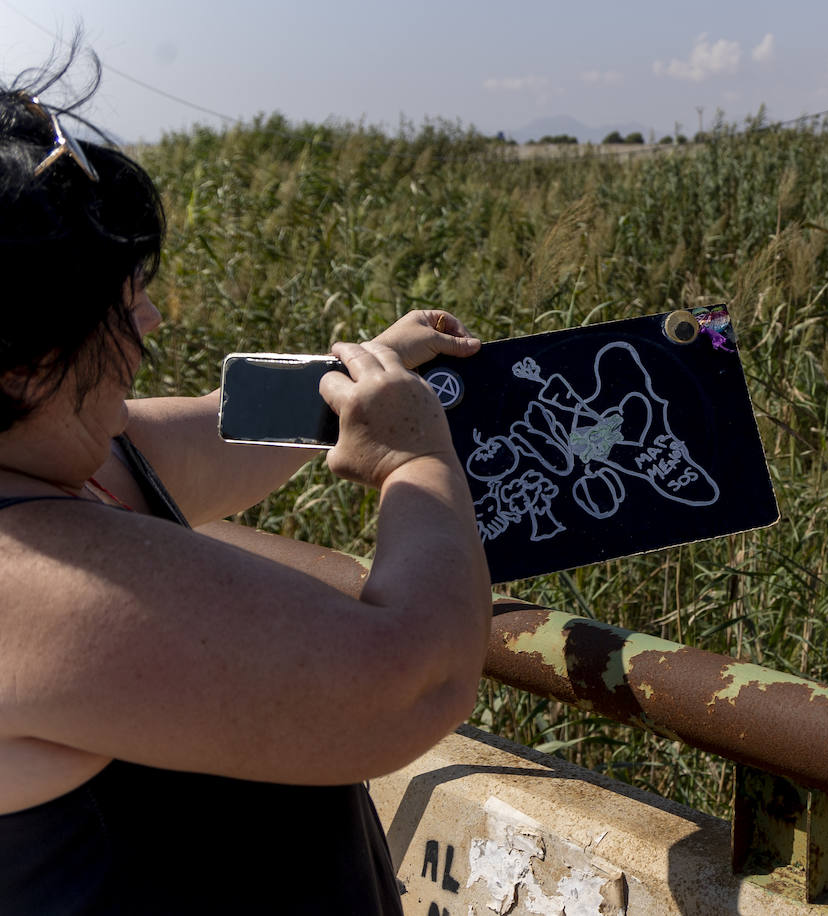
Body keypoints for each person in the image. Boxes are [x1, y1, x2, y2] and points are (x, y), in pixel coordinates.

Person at [0, 54, 491, 913]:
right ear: (24, 358)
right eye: (122, 300)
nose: (151, 321)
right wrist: (415, 461)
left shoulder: (52, 456)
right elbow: (414, 679)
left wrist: (371, 362)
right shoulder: (31, 583)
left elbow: (217, 431)